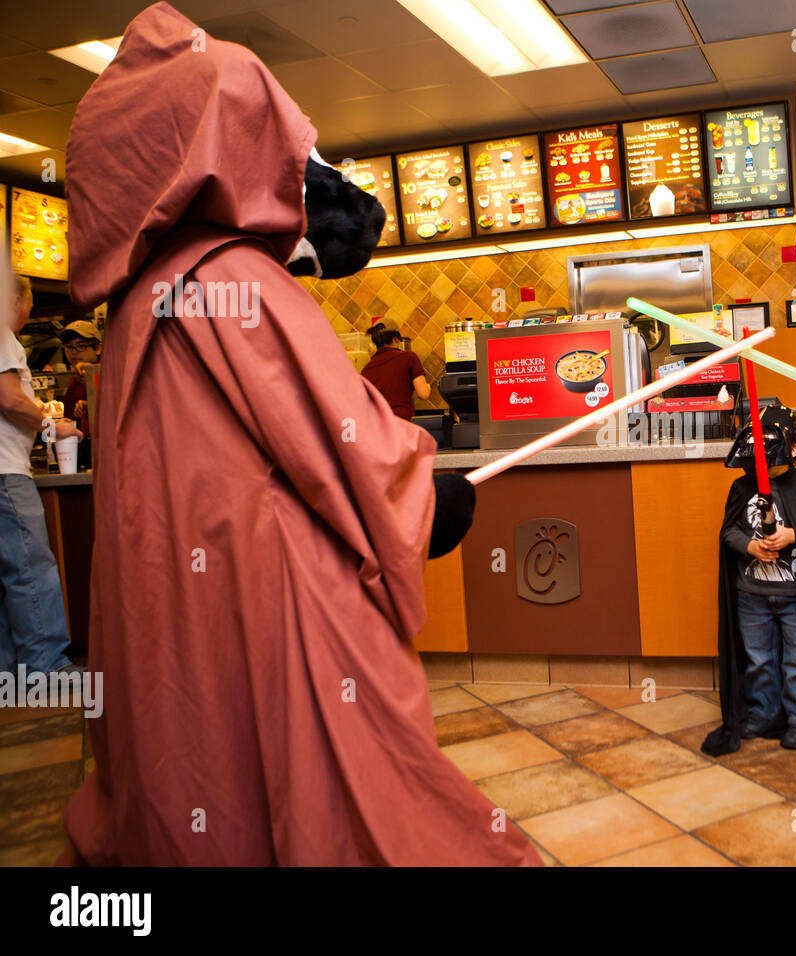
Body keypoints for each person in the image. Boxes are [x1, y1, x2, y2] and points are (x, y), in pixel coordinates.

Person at [60, 2, 538, 865]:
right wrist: (428, 499)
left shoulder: (138, 306)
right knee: (338, 794)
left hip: (182, 603)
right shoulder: (234, 277)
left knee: (205, 765)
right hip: (278, 598)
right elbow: (346, 446)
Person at [703, 406, 796, 755]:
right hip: (752, 595)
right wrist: (749, 546)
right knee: (758, 658)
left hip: (793, 595)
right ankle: (764, 712)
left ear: (794, 449)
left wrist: (792, 535)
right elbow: (728, 532)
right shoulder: (741, 488)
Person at [0, 266, 83, 680]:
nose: (30, 311)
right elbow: (10, 400)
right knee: (31, 569)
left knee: (7, 577)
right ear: (17, 298)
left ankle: (13, 670)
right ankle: (46, 668)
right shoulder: (2, 336)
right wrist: (54, 426)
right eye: (31, 303)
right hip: (5, 474)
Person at [361, 321, 431, 421]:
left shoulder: (366, 369)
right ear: (395, 339)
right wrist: (428, 387)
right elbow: (423, 394)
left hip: (378, 427)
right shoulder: (409, 357)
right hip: (402, 424)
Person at [60, 319, 101, 469]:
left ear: (97, 348)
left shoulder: (107, 372)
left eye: (81, 346)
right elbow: (70, 419)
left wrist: (91, 406)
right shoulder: (74, 379)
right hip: (85, 449)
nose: (73, 352)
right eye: (69, 347)